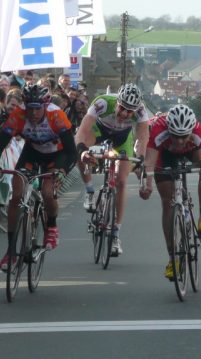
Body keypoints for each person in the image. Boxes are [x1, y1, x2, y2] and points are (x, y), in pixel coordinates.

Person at [0, 84, 76, 271]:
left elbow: (72, 152)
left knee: (47, 192)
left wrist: (62, 171)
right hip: (32, 152)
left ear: (45, 106)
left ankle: (51, 226)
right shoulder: (18, 115)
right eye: (30, 108)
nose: (34, 113)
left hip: (56, 155)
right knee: (16, 196)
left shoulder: (56, 116)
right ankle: (11, 250)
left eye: (38, 108)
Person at [138, 104, 201, 279]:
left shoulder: (198, 130)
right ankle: (173, 259)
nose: (179, 141)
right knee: (168, 202)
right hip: (165, 154)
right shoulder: (158, 128)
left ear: (190, 130)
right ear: (168, 129)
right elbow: (150, 162)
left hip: (192, 152)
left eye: (183, 136)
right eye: (175, 136)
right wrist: (146, 185)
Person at [75, 83, 149, 256]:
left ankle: (115, 232)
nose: (125, 114)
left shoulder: (141, 112)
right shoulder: (102, 103)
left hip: (122, 139)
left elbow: (143, 138)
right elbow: (82, 132)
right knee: (78, 149)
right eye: (122, 108)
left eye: (129, 111)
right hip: (99, 131)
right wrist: (83, 151)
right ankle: (90, 190)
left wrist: (140, 159)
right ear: (117, 102)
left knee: (122, 182)